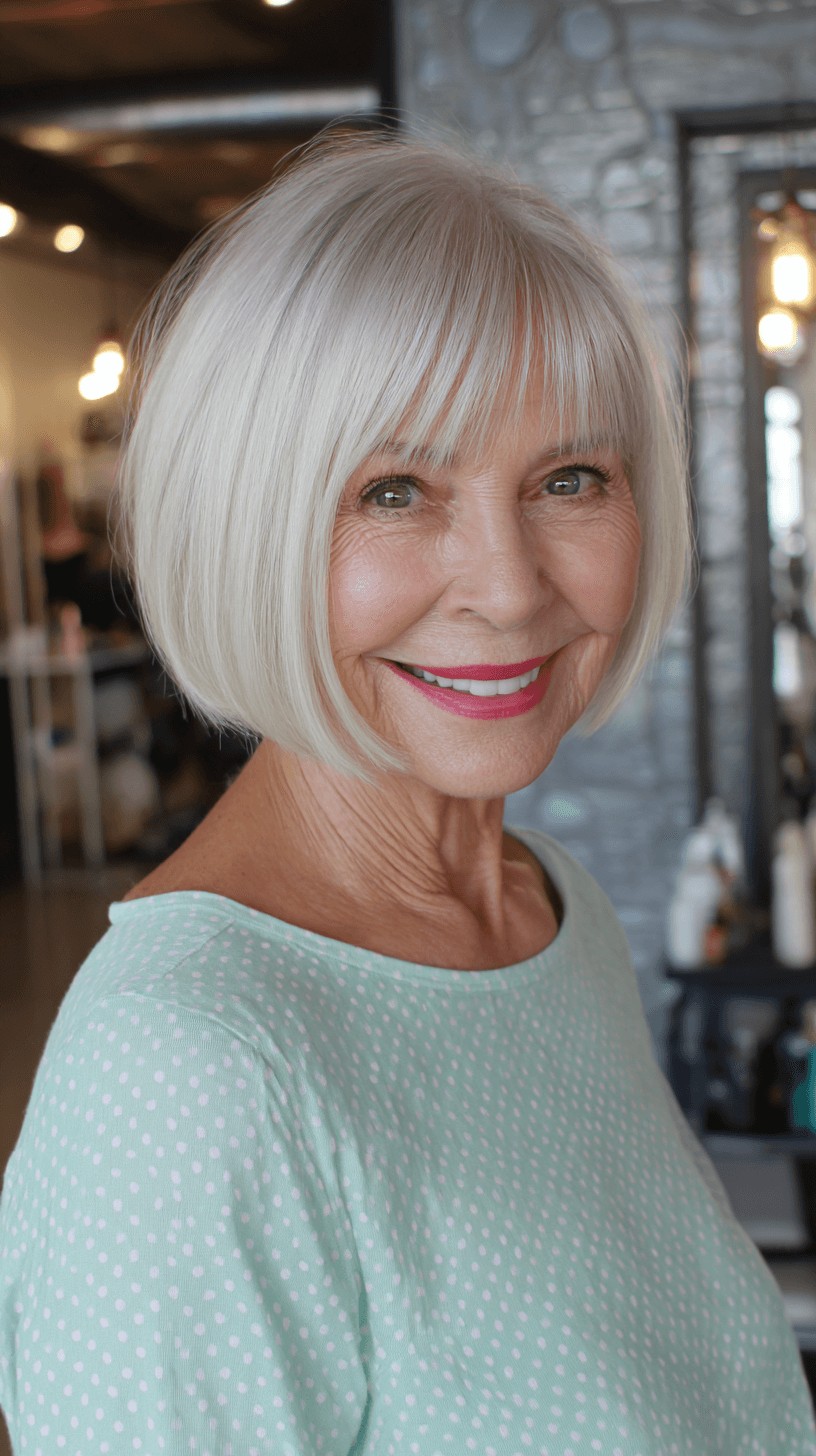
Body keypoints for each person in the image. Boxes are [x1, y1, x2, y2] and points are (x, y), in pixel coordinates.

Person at [0, 131, 813, 1456]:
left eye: (569, 478)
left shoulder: (555, 915)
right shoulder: (189, 1076)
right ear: (249, 523)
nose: (508, 582)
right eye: (395, 489)